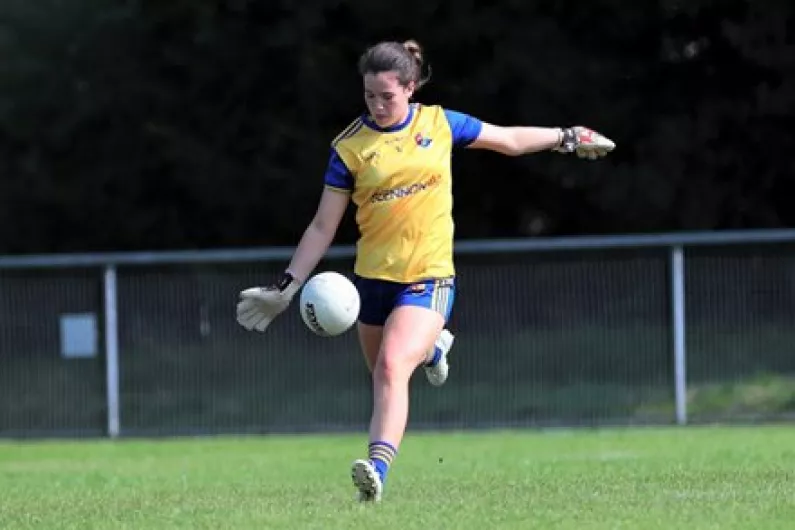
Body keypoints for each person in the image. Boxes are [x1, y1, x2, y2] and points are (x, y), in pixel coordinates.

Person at [235, 39, 615, 502]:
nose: (376, 105)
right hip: (372, 283)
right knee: (383, 374)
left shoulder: (439, 123)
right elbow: (321, 226)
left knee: (393, 368)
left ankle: (375, 473)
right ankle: (434, 351)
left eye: (387, 96)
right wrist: (286, 287)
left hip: (428, 278)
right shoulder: (350, 148)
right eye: (369, 95)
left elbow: (510, 139)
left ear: (410, 88)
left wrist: (567, 136)